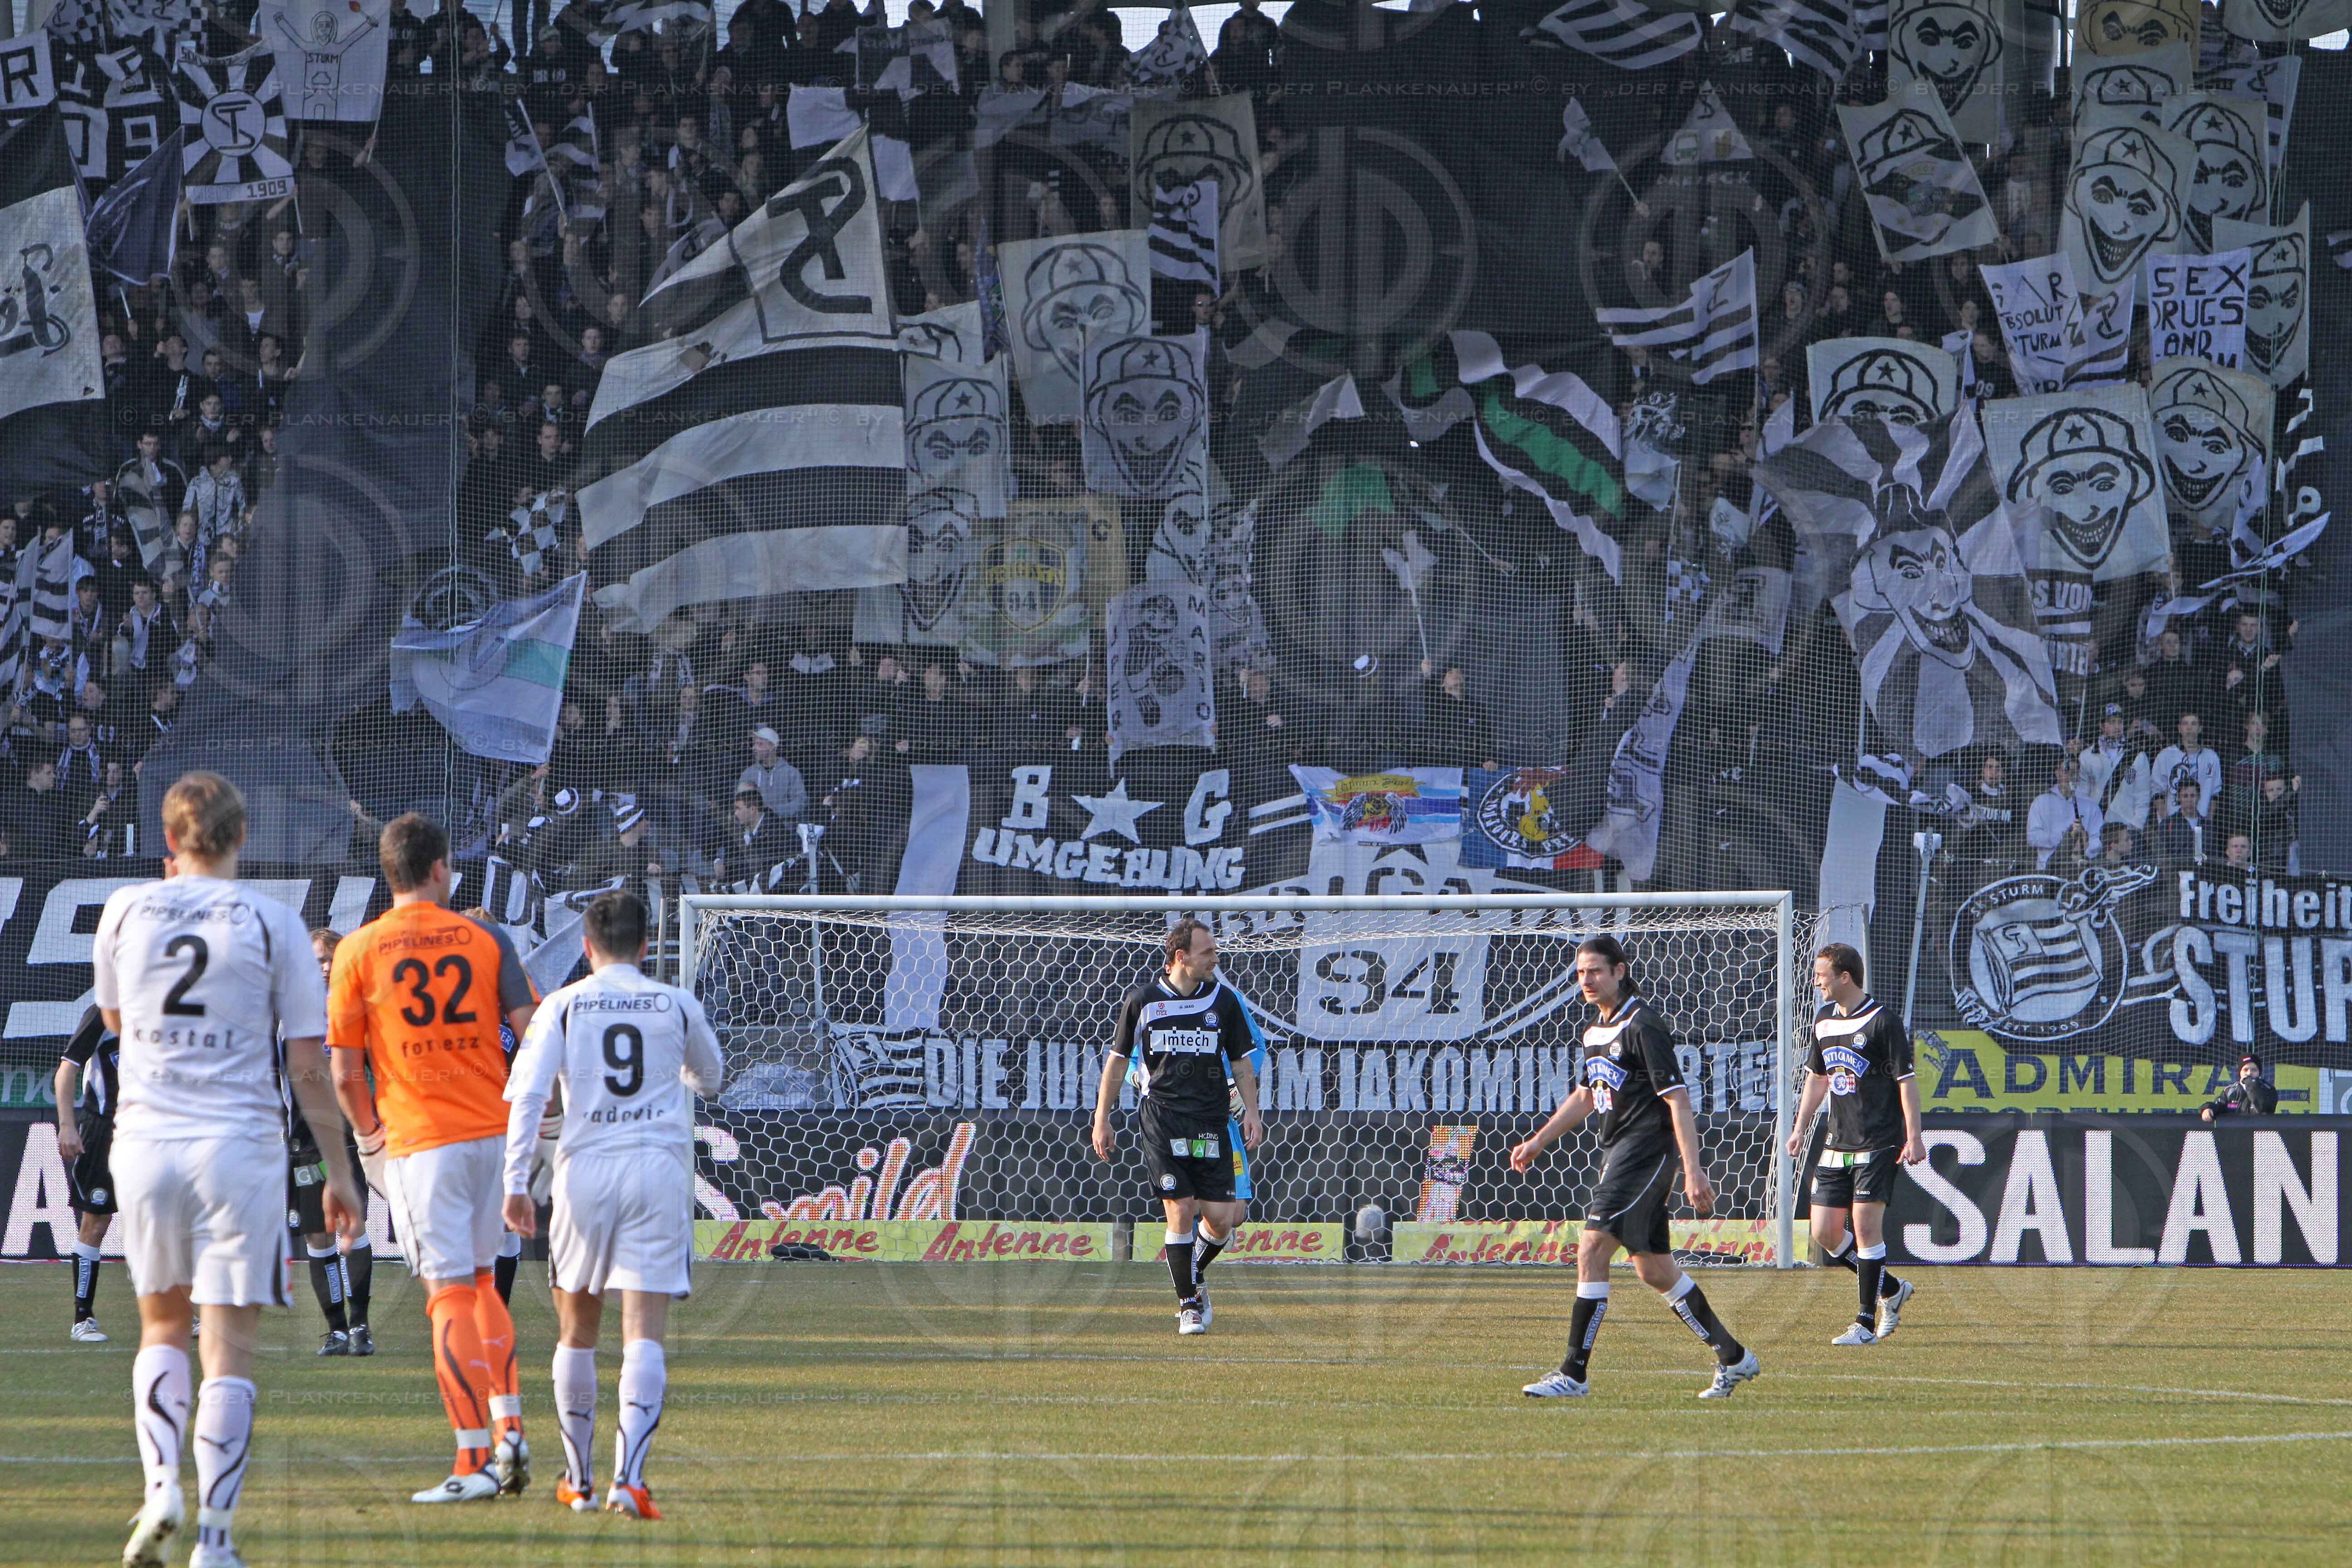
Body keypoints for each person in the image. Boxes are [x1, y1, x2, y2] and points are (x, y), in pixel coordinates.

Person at [96, 772, 361, 1568]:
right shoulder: (275, 923)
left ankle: (158, 1488)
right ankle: (213, 1539)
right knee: (229, 1347)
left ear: (170, 842)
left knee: (162, 1327)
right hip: (238, 1146)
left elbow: (114, 1021)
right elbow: (309, 1067)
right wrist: (342, 1171)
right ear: (241, 838)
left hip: (146, 1142)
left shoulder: (122, 912)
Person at [330, 813, 540, 1504]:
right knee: (485, 1285)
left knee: (449, 1294)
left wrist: (366, 1140)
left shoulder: (358, 951)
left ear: (388, 873)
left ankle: (473, 1458)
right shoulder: (486, 936)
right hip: (496, 1135)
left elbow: (343, 1071)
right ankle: (510, 1432)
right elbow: (529, 1034)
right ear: (442, 869)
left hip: (425, 1141)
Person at [501, 890, 725, 1519]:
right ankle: (629, 1481)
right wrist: (676, 1075)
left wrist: (516, 1182)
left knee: (577, 1330)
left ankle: (577, 1480)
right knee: (643, 1332)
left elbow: (527, 1096)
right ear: (647, 946)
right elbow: (711, 1077)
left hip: (584, 1171)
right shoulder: (676, 1003)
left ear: (586, 947)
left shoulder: (565, 1005)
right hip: (656, 1171)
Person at [1511, 934, 1759, 1400]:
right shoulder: (1594, 1031)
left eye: (1596, 971)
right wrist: (1539, 1141)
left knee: (1591, 1249)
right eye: (1581, 972)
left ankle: (1574, 1374)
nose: (1587, 980)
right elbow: (1587, 1096)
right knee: (1655, 1271)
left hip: (1647, 1152)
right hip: (1620, 1153)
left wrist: (1693, 1169)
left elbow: (1678, 1099)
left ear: (1620, 972)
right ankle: (1734, 1357)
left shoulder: (1643, 1025)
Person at [1089, 917, 1266, 1336]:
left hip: (1213, 1121)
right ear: (1180, 957)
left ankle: (1191, 1274)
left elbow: (1246, 1059)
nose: (1217, 959)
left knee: (1227, 1217)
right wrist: (1102, 1118)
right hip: (1163, 1121)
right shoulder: (1143, 1002)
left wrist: (1251, 1109)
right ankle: (1188, 1302)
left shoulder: (1225, 1001)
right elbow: (1119, 1062)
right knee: (1181, 1209)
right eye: (1209, 953)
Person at [1785, 944, 1925, 1346]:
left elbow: (1906, 1082)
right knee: (1826, 1232)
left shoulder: (1884, 1021)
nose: (1817, 982)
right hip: (1836, 1141)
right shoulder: (1824, 1019)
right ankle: (1892, 1289)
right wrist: (1800, 1127)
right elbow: (1818, 1077)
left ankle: (1864, 1324)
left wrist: (1914, 1136)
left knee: (1865, 1230)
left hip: (1879, 1140)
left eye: (1822, 975)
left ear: (1845, 977)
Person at [289, 929, 372, 1356]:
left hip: (349, 1137)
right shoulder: (288, 1014)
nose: (323, 967)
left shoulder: (359, 1010)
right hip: (303, 1140)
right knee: (319, 1236)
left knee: (351, 1225)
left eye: (331, 959)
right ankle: (337, 1330)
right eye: (317, 959)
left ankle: (361, 1327)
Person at [54, 1004, 122, 1343]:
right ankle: (83, 1318)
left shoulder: (168, 1009)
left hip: (153, 1131)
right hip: (104, 1132)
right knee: (96, 1222)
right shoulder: (104, 1012)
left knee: (166, 1221)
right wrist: (68, 1125)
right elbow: (67, 1070)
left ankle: (181, 1310)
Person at [2200, 1054, 2278, 1121]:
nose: (2249, 1073)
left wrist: (2252, 1085)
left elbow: (2264, 1109)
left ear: (2259, 1073)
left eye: (2254, 1070)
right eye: (2245, 1070)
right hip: (2236, 1134)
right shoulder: (2230, 1091)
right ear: (2240, 1072)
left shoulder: (2268, 1089)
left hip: (2261, 1134)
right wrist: (2208, 1109)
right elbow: (2218, 1105)